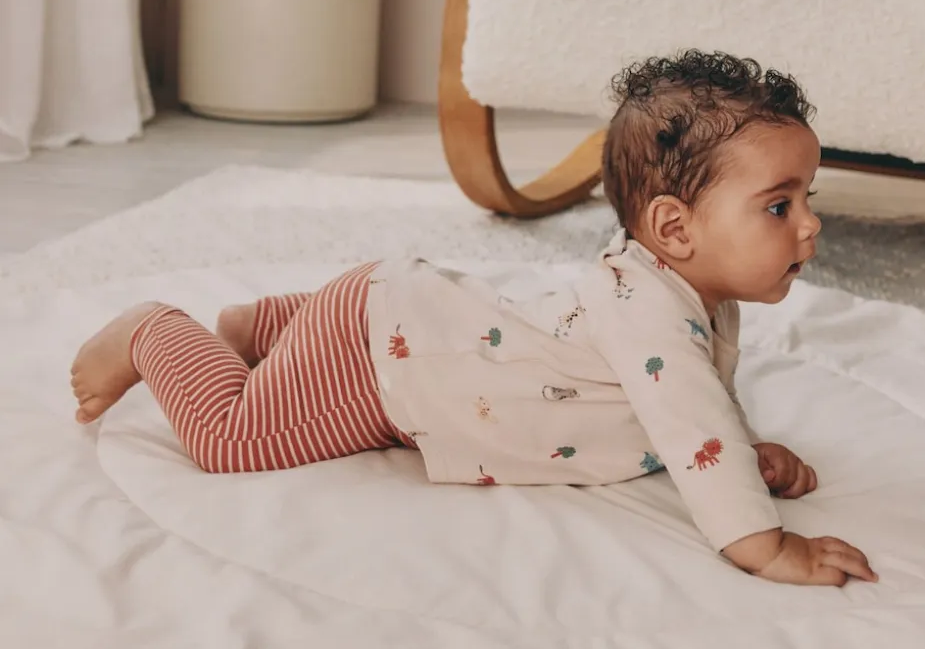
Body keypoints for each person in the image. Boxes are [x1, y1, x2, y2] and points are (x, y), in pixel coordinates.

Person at [71, 50, 878, 587]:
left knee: (326, 370)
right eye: (779, 206)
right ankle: (155, 332)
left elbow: (703, 406)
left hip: (399, 322)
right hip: (379, 368)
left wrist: (748, 448)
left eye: (807, 198)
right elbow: (695, 428)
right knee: (233, 440)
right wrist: (768, 547)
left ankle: (268, 329)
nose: (810, 225)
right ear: (674, 228)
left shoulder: (687, 294)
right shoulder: (652, 319)